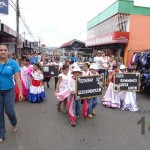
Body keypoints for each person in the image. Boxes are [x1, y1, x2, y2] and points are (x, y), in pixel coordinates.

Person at [0, 45, 23, 144]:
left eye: (5, 50)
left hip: (9, 91)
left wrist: (21, 91)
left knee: (9, 111)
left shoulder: (13, 63)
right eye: (1, 50)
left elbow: (17, 78)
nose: (3, 52)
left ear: (8, 52)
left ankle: (14, 122)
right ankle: (1, 133)